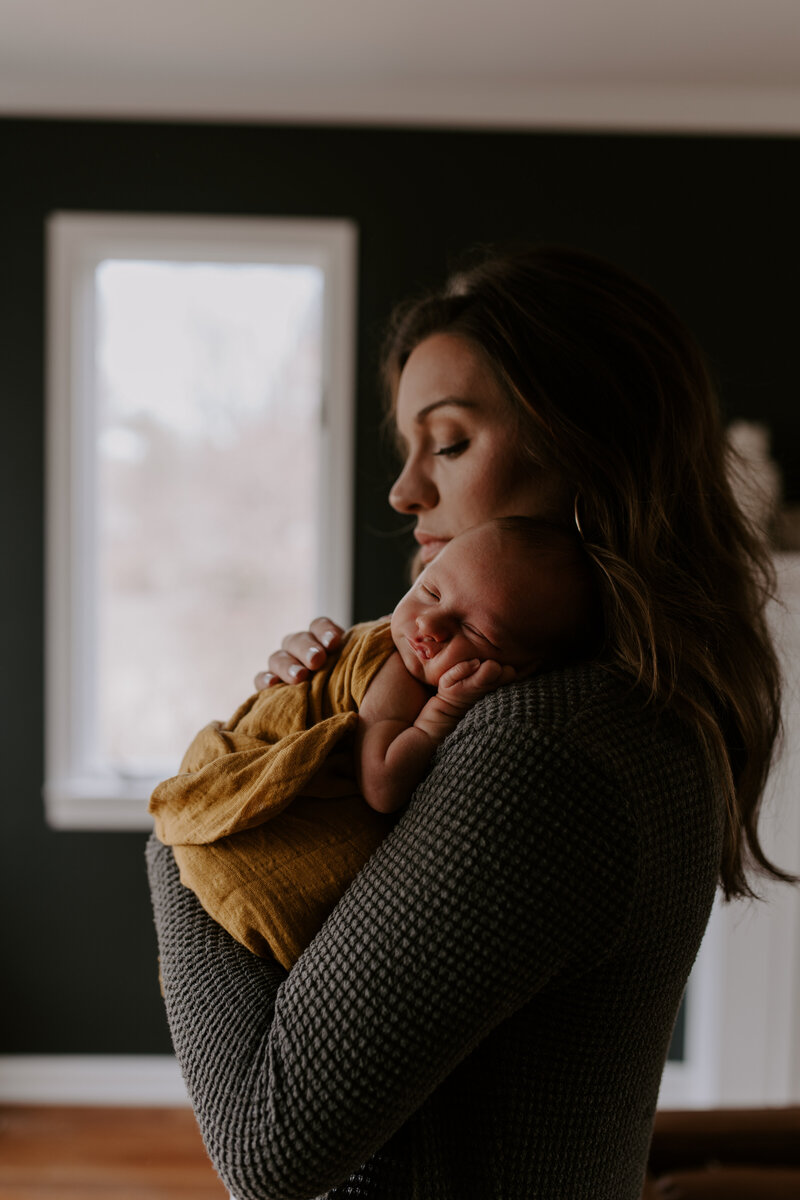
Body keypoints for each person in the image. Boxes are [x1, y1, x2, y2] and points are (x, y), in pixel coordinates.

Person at [146, 245, 793, 1200]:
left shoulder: (546, 749)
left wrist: (198, 811)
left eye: (448, 443)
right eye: (407, 448)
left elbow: (267, 1145)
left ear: (589, 447)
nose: (406, 491)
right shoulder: (614, 706)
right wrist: (302, 738)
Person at [150, 516, 598, 969]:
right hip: (238, 786)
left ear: (523, 670)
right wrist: (438, 716)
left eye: (476, 632)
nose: (429, 623)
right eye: (430, 591)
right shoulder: (395, 671)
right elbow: (382, 785)